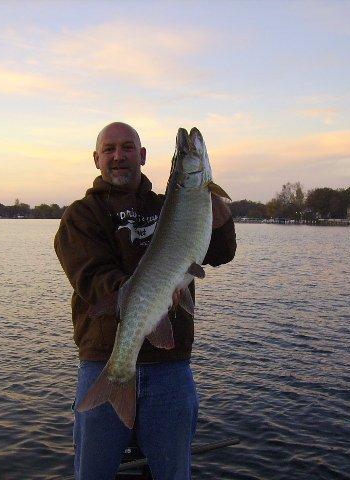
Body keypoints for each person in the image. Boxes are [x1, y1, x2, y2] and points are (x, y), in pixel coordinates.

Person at [54, 122, 236, 480]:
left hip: (170, 367)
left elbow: (221, 252)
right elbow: (93, 279)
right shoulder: (81, 215)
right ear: (96, 159)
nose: (118, 156)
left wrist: (219, 210)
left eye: (127, 147)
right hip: (104, 360)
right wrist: (155, 293)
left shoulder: (170, 205)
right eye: (109, 149)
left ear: (142, 156)